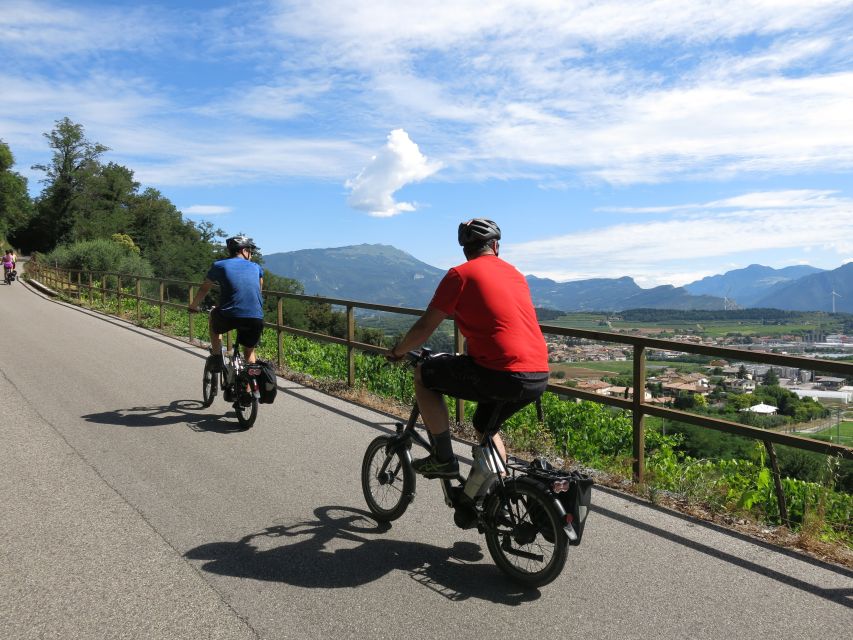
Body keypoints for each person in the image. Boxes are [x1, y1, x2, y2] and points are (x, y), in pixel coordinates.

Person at [387, 218, 549, 478]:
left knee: (423, 374)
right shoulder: (517, 275)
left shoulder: (460, 275)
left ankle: (443, 458)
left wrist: (397, 351)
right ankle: (497, 491)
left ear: (465, 250)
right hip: (538, 374)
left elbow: (424, 328)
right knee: (485, 425)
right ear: (495, 246)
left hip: (501, 373)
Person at [189, 235, 264, 368]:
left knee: (213, 314)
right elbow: (258, 291)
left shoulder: (219, 265)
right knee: (249, 353)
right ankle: (251, 386)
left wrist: (193, 306)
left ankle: (217, 355)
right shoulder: (257, 267)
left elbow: (204, 289)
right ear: (243, 251)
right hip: (255, 316)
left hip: (229, 315)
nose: (251, 254)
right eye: (250, 251)